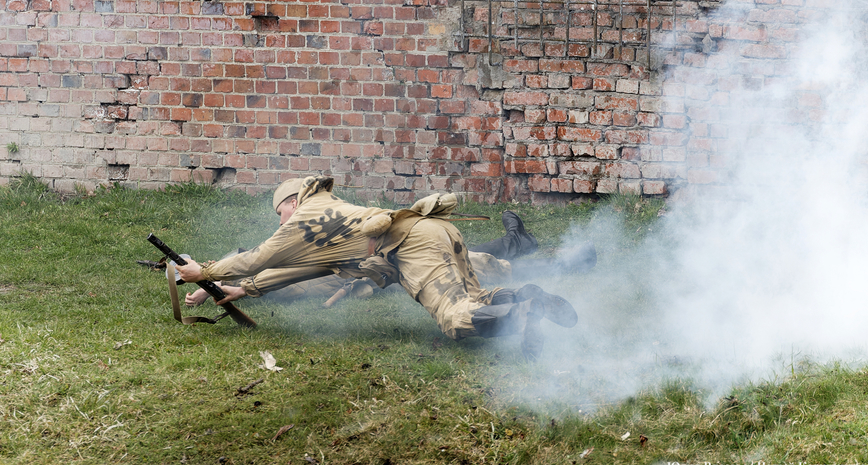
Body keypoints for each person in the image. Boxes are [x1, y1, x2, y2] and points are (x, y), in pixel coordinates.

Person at [174, 176, 578, 359]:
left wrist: (204, 271)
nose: (280, 222)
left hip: (412, 245)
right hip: (434, 230)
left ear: (292, 203)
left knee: (455, 317)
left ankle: (523, 312)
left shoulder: (303, 220)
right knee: (475, 295)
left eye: (280, 213)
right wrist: (245, 289)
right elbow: (308, 270)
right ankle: (525, 296)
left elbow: (259, 257)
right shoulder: (329, 214)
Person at [184, 209, 541, 307]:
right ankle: (521, 246)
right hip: (369, 272)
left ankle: (516, 243)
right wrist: (213, 284)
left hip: (371, 262)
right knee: (457, 261)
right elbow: (262, 272)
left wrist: (210, 281)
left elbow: (250, 261)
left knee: (453, 254)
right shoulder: (271, 275)